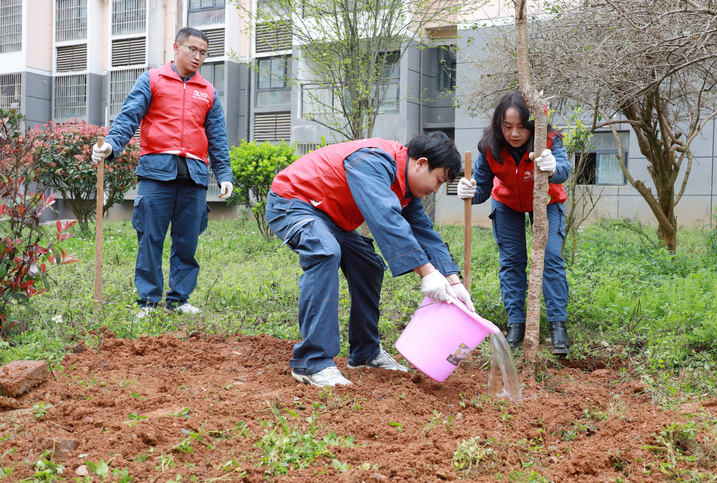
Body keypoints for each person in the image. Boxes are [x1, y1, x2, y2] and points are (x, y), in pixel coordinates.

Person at [266, 132, 474, 387]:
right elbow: (385, 218)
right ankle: (311, 362)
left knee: (369, 265)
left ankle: (365, 352)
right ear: (420, 163)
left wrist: (453, 280)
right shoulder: (373, 160)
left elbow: (425, 234)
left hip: (329, 217)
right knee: (325, 251)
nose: (435, 189)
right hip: (294, 202)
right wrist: (428, 273)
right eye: (438, 180)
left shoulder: (406, 188)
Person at [91, 27, 234, 318]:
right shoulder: (152, 79)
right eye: (192, 49)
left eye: (203, 53)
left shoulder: (208, 92)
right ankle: (147, 303)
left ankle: (179, 300)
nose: (197, 56)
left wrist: (224, 175)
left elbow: (217, 137)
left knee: (187, 242)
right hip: (156, 173)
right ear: (176, 47)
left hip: (194, 176)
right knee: (150, 239)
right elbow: (128, 116)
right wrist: (112, 145)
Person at [457, 91, 571, 354]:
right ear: (499, 125)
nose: (515, 134)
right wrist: (470, 191)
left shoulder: (550, 140)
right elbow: (482, 187)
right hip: (507, 204)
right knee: (512, 261)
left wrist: (552, 167)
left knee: (551, 257)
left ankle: (557, 327)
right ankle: (516, 325)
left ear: (533, 125)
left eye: (522, 127)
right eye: (508, 127)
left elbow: (563, 171)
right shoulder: (490, 146)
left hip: (547, 202)